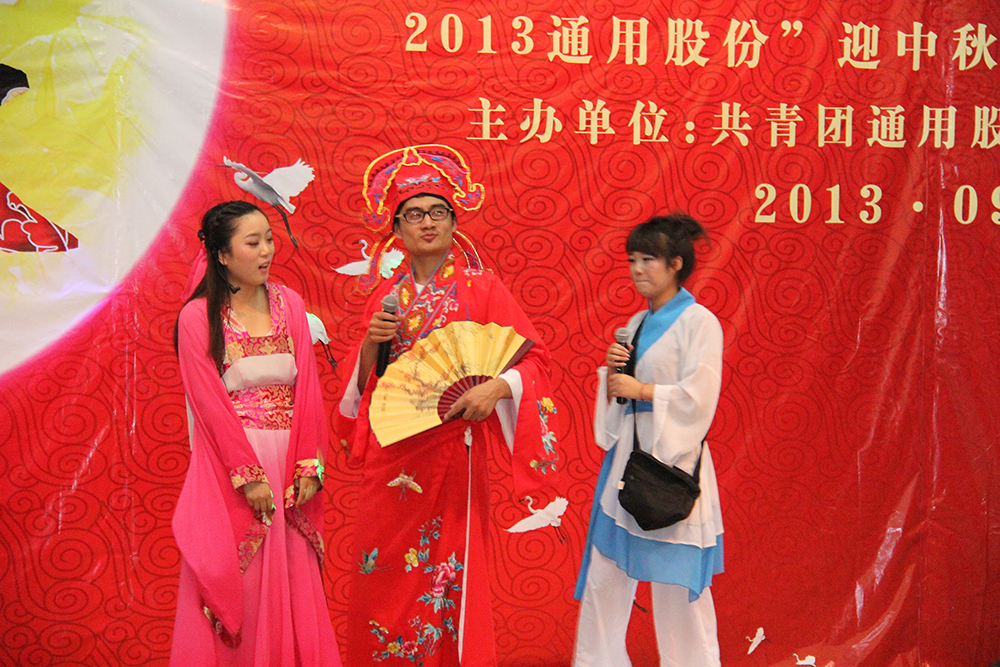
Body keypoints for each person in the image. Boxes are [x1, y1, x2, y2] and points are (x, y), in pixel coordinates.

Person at [338, 145, 562, 667]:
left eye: (438, 211)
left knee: (448, 569)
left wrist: (496, 389)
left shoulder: (483, 290)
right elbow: (365, 386)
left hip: (452, 452)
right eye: (414, 214)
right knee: (383, 567)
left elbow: (536, 360)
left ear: (455, 222)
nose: (427, 223)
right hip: (393, 453)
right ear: (397, 229)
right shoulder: (385, 298)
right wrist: (371, 342)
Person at [170, 200, 341, 667]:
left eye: (269, 239)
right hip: (234, 469)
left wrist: (310, 464)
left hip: (291, 467)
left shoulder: (291, 304)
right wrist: (247, 475)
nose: (267, 250)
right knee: (243, 583)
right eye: (253, 242)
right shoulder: (197, 317)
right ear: (222, 255)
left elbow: (308, 391)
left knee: (295, 577)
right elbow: (209, 404)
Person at [573, 214, 725, 667]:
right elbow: (619, 406)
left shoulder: (700, 322)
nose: (637, 270)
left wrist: (641, 389)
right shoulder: (637, 322)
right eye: (632, 260)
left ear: (676, 264)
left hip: (672, 463)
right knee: (605, 577)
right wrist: (614, 377)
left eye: (648, 260)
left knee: (678, 588)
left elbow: (700, 396)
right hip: (629, 459)